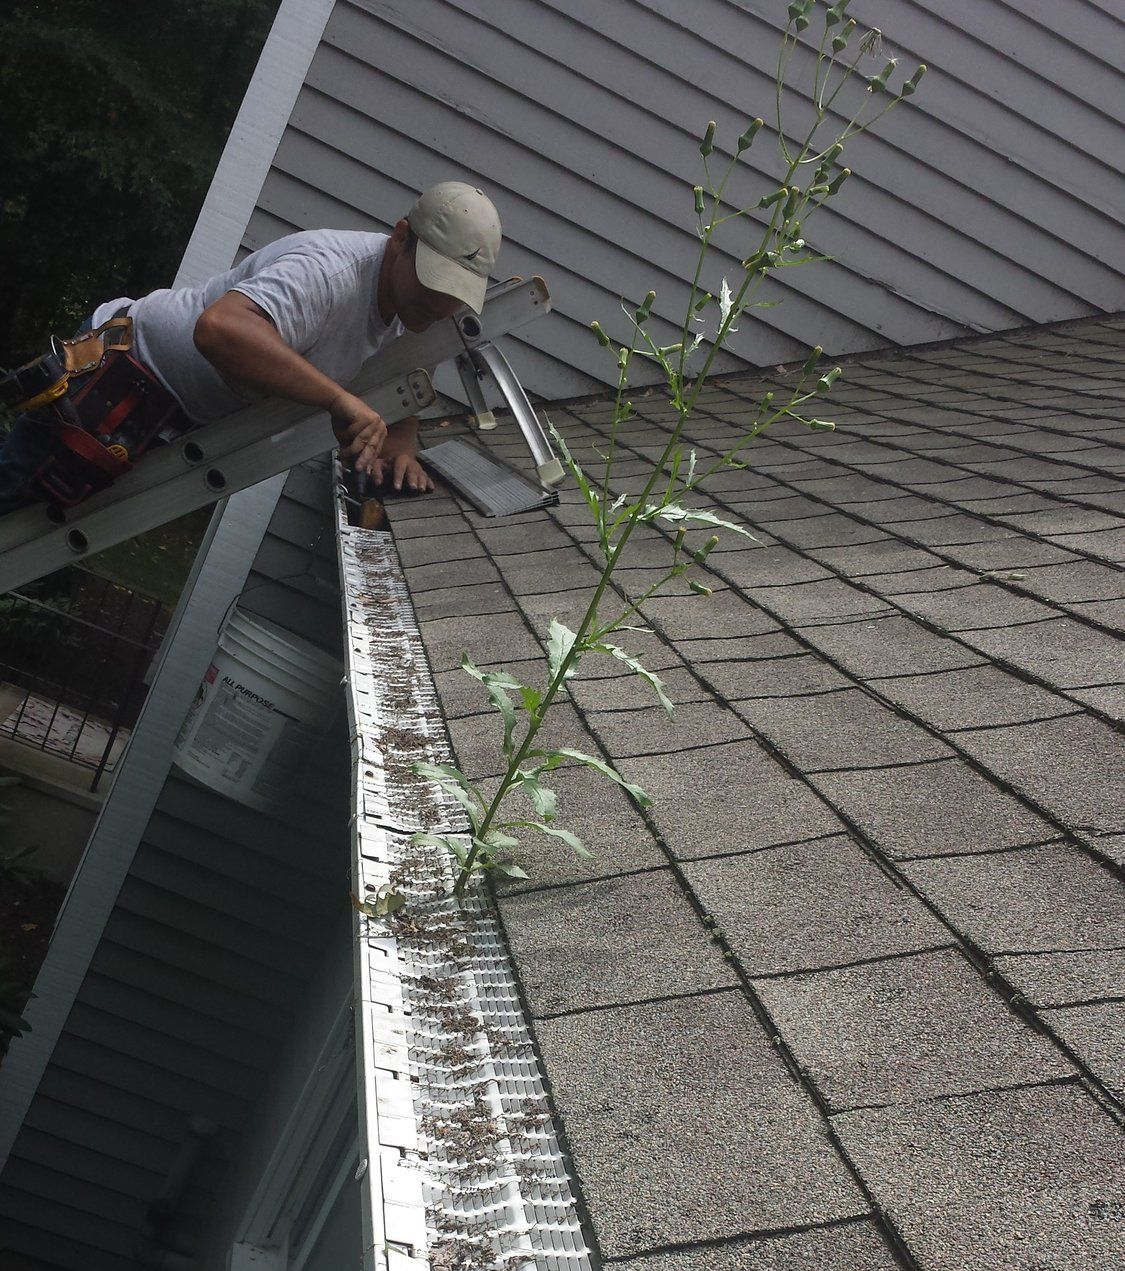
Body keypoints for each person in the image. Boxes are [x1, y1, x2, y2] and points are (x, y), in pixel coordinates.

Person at [0, 180, 502, 514]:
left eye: (452, 296)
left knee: (42, 524)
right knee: (11, 502)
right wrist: (338, 399)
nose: (438, 307)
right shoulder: (328, 273)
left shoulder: (414, 310)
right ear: (400, 238)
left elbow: (407, 366)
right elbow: (218, 330)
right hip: (121, 376)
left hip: (170, 414)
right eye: (432, 284)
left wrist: (401, 444)